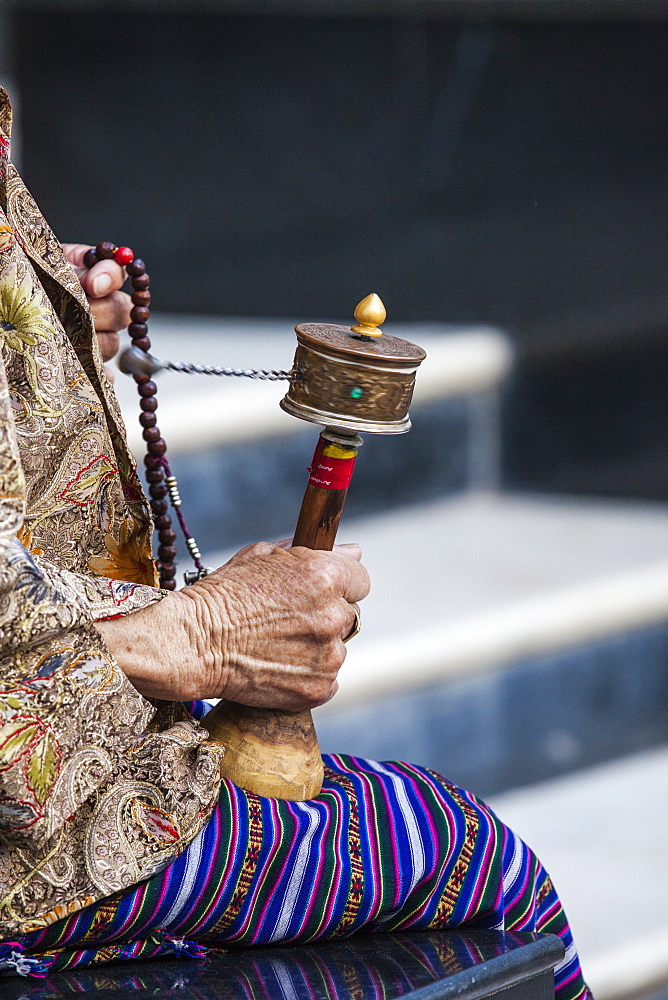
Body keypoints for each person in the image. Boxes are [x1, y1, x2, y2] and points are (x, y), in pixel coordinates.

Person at [0, 88, 590, 998]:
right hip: (33, 843)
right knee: (479, 863)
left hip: (83, 739)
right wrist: (201, 632)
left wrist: (34, 318)